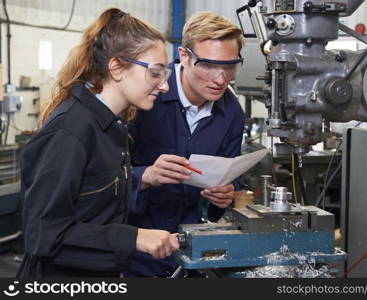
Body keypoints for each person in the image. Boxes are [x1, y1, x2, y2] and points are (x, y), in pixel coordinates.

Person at [16, 8, 180, 278]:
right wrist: (134, 238)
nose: (164, 86)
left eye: (166, 74)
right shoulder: (71, 132)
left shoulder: (114, 126)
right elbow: (43, 235)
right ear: (116, 67)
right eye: (155, 73)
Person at [127, 11, 245, 277]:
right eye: (208, 65)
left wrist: (226, 193)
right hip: (137, 249)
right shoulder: (145, 97)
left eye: (229, 66)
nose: (221, 79)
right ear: (183, 56)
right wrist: (145, 175)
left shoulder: (232, 114)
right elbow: (104, 176)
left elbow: (233, 173)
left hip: (190, 248)